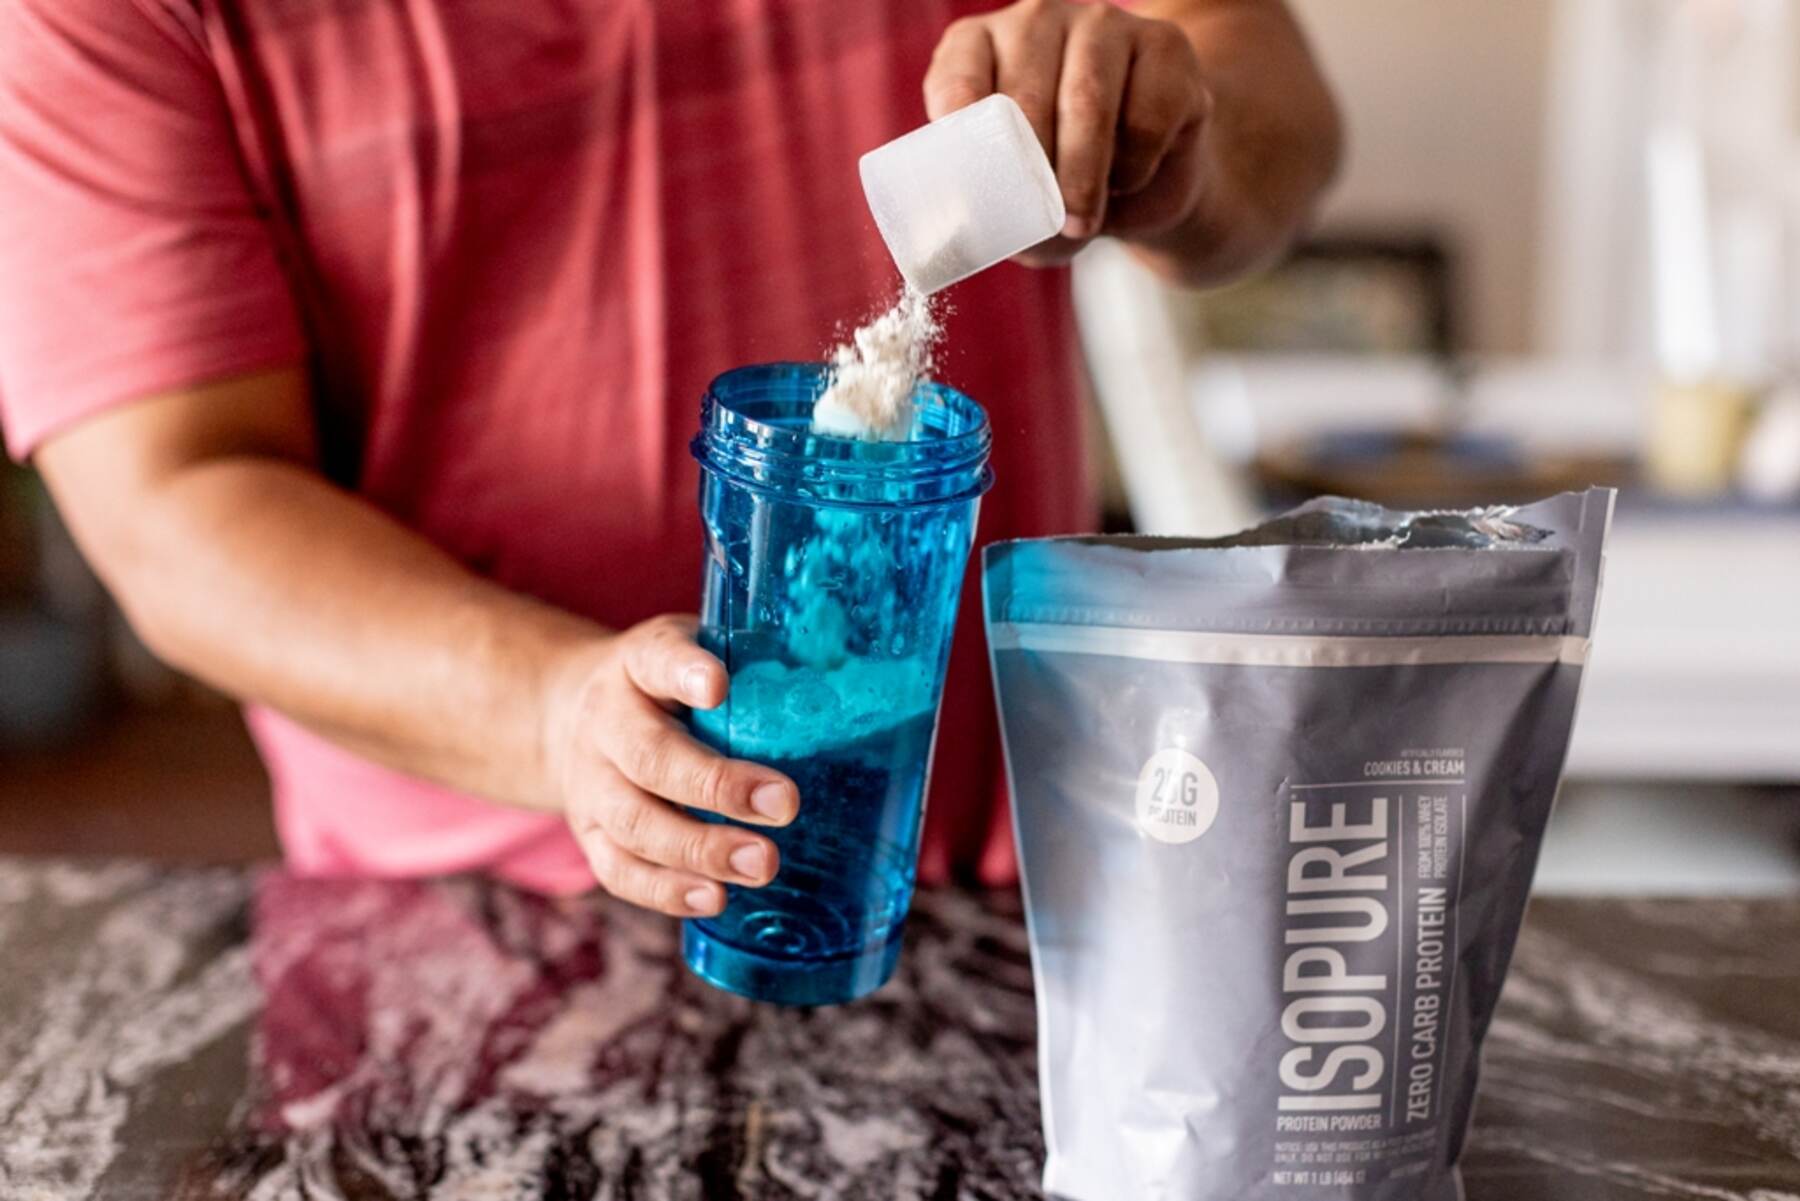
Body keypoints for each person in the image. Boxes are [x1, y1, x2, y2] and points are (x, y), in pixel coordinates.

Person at [0, 0, 1340, 915]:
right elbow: (172, 497)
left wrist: (1177, 139)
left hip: (998, 890)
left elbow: (1276, 101)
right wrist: (551, 714)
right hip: (464, 921)